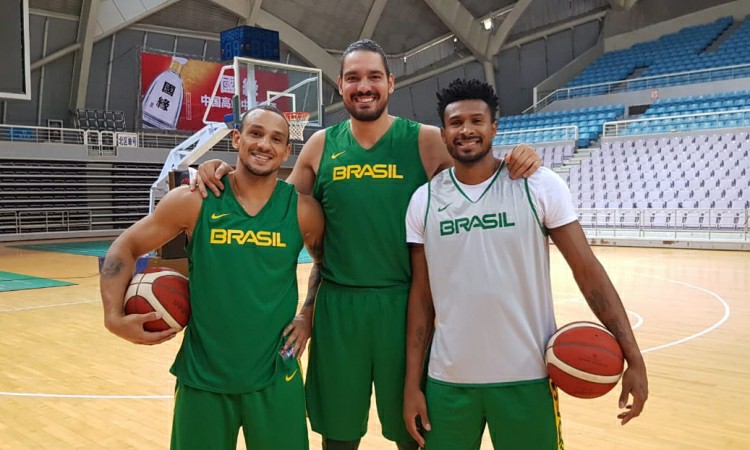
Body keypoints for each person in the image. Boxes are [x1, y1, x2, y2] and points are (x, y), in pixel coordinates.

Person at [192, 39, 542, 450]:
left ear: (391, 83)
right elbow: (272, 207)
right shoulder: (322, 145)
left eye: (374, 76)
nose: (364, 86)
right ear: (340, 86)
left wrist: (521, 156)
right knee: (338, 437)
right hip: (339, 309)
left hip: (406, 307)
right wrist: (219, 169)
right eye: (353, 78)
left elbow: (479, 172)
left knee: (415, 433)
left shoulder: (426, 141)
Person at [402, 78, 649, 449]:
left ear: (494, 128)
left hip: (528, 377)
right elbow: (421, 297)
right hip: (448, 380)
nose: (466, 130)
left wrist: (634, 356)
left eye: (476, 121)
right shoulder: (423, 201)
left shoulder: (538, 185)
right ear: (443, 132)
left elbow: (587, 271)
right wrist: (412, 384)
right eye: (456, 123)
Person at [99, 104, 324, 450]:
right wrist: (113, 317)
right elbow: (125, 246)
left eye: (276, 139)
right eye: (255, 133)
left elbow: (328, 266)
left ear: (286, 151)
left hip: (277, 373)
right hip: (203, 377)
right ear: (237, 139)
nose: (264, 144)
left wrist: (307, 315)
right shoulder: (196, 200)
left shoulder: (302, 211)